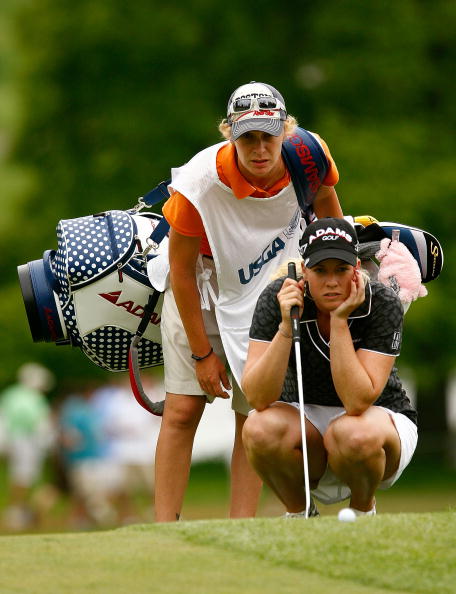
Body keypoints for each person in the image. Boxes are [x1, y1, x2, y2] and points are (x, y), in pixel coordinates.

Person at [154, 81, 343, 522]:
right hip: (200, 285)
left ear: (285, 131)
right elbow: (181, 271)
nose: (259, 149)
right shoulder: (199, 183)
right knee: (183, 408)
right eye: (247, 137)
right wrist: (203, 354)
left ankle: (243, 526)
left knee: (254, 411)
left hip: (270, 290)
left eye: (268, 136)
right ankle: (162, 530)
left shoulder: (309, 157)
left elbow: (331, 222)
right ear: (229, 134)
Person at [241, 217, 418, 517]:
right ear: (304, 271)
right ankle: (300, 514)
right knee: (258, 429)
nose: (332, 281)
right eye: (320, 270)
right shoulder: (278, 298)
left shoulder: (382, 302)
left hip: (376, 421)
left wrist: (339, 321)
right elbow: (257, 398)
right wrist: (286, 327)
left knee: (352, 433)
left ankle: (363, 512)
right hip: (304, 418)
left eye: (341, 269)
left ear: (357, 270)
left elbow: (357, 401)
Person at [0, 363, 55, 531]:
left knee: (23, 477)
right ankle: (16, 513)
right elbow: (42, 426)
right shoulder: (34, 398)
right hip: (27, 442)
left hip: (17, 441)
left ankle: (20, 512)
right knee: (23, 477)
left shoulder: (11, 394)